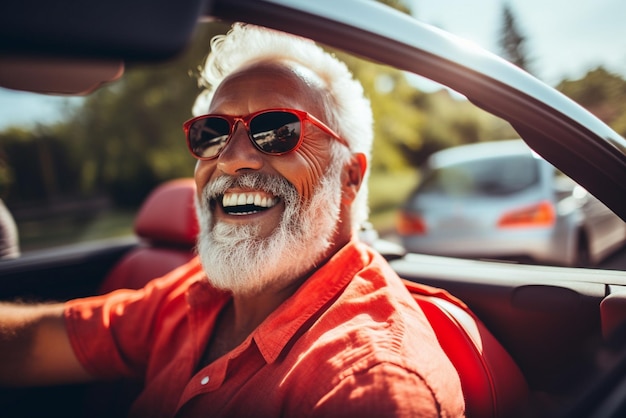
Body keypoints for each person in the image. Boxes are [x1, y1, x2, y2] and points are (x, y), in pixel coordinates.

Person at [0, 23, 465, 417]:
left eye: (279, 131)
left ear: (350, 176)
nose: (231, 160)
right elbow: (31, 346)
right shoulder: (196, 293)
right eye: (213, 133)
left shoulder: (368, 385)